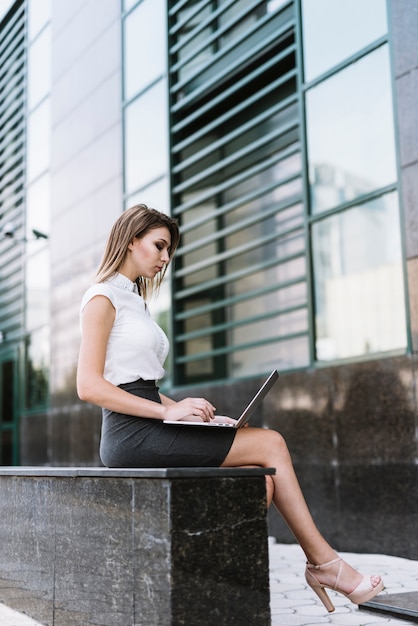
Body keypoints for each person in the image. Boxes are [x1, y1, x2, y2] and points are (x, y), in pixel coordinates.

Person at [77, 204, 384, 613]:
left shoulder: (135, 301)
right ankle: (327, 566)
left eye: (169, 250)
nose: (166, 258)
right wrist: (168, 412)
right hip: (128, 436)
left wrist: (197, 417)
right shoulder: (102, 297)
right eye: (159, 246)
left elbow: (139, 385)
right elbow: (89, 385)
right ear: (131, 240)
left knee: (258, 480)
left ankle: (215, 594)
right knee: (271, 444)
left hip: (149, 423)